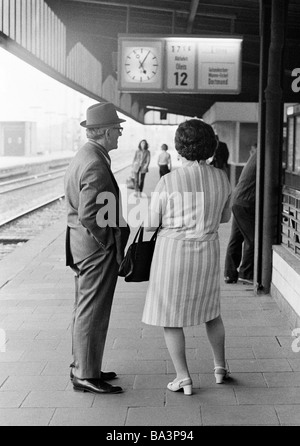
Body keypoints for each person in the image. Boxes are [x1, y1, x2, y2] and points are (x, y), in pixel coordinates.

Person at [142, 119, 232, 395]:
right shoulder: (221, 177)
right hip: (207, 252)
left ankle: (183, 377)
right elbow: (225, 217)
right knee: (211, 313)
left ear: (180, 147)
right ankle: (220, 367)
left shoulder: (170, 180)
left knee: (171, 317)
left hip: (173, 254)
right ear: (210, 145)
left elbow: (149, 224)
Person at [64, 102, 130, 395]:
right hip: (94, 250)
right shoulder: (94, 162)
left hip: (81, 245)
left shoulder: (86, 155)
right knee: (93, 311)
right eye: (116, 129)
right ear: (104, 132)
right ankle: (85, 375)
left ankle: (85, 365)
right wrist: (108, 244)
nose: (119, 134)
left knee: (85, 309)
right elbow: (91, 213)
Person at [224, 143, 257, 284]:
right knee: (253, 239)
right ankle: (246, 273)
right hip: (246, 203)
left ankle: (229, 274)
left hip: (238, 200)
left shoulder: (256, 156)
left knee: (236, 239)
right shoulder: (266, 157)